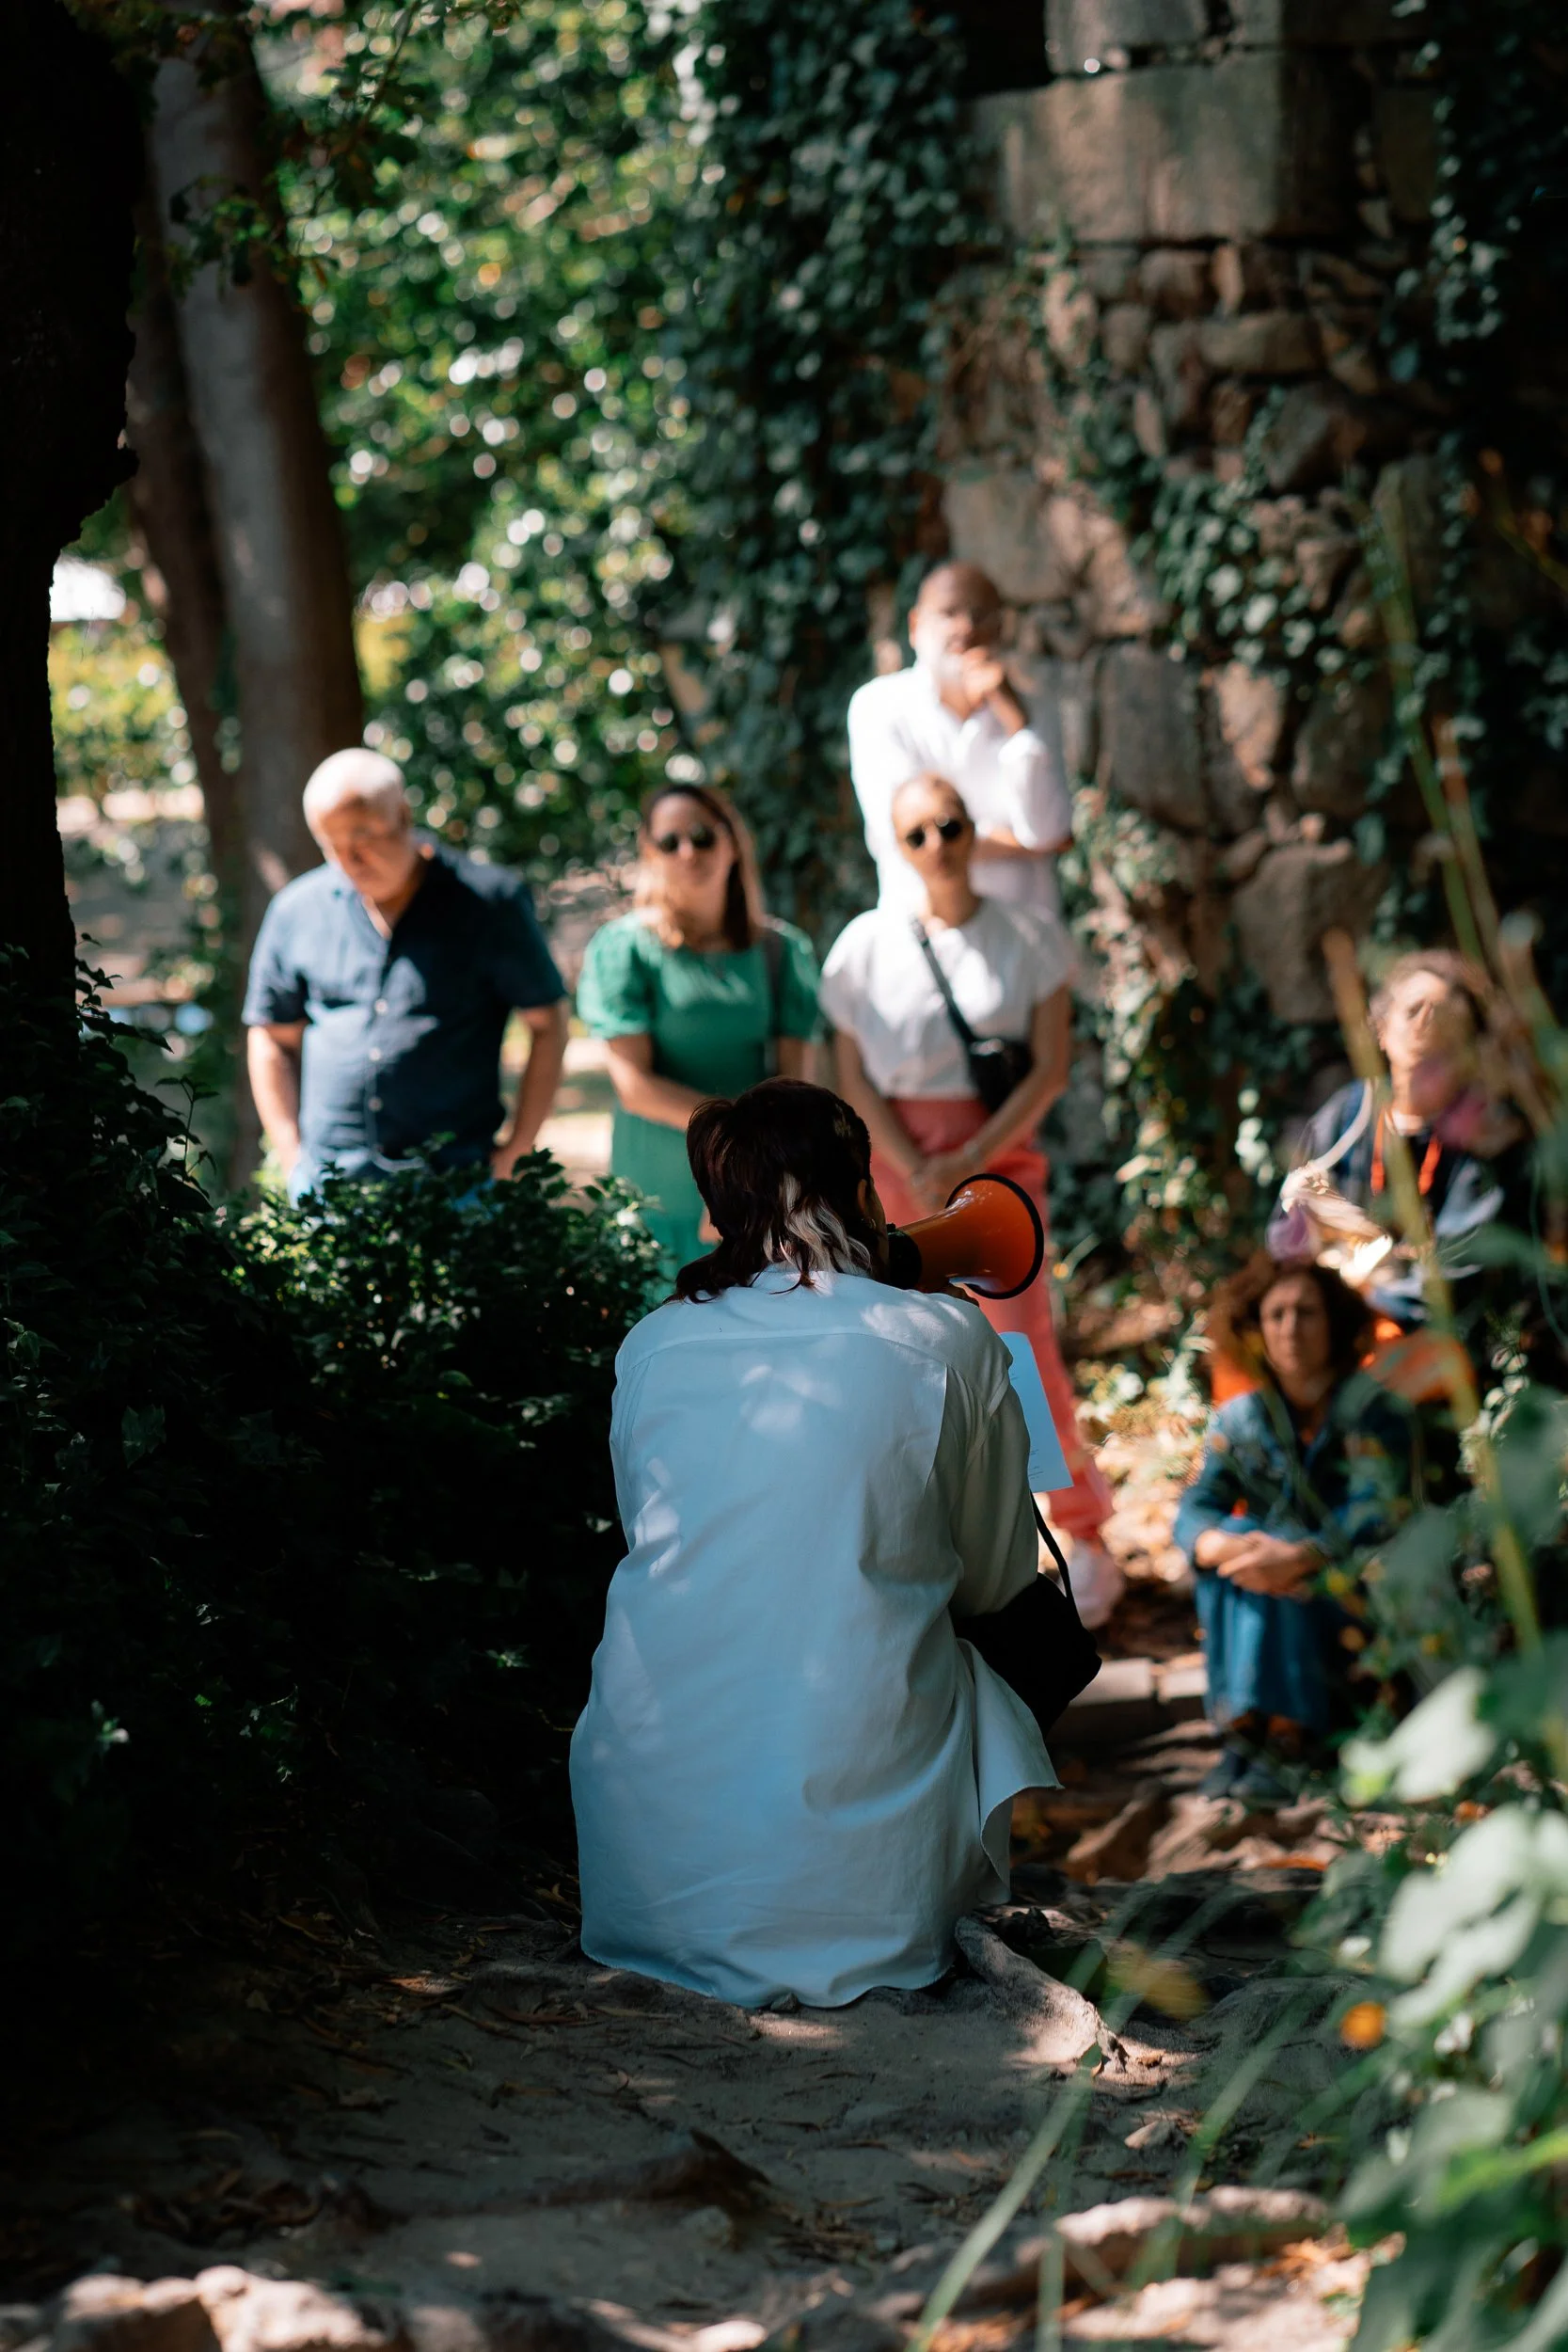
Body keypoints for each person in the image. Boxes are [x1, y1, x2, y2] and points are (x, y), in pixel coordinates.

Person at [570, 1078, 1054, 2010]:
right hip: (875, 1916)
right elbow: (998, 1581)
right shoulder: (947, 1336)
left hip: (641, 1902)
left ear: (718, 1212)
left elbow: (668, 1543)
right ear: (863, 1190)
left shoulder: (650, 1344)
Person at [820, 773, 1122, 1626]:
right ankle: (936, 1540)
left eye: (949, 826)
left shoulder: (1027, 936)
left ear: (971, 828)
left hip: (999, 1160)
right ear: (894, 842)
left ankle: (1078, 1532)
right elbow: (851, 1078)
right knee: (900, 1345)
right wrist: (910, 1161)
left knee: (1020, 1344)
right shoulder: (864, 946)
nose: (937, 846)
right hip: (890, 1167)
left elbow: (1051, 1065)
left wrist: (976, 1153)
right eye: (915, 833)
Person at [244, 749, 568, 1201]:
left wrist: (518, 1149)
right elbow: (271, 1036)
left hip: (457, 1187)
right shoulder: (296, 910)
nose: (349, 859)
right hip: (329, 1188)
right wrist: (290, 1154)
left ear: (403, 815)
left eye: (362, 836)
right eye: (330, 844)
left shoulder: (489, 902)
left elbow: (548, 1023)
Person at [1175, 1255, 1420, 1803]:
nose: (1290, 1329)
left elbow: (1377, 1514)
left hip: (1351, 1590)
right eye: (1276, 1315)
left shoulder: (1377, 1412)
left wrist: (1301, 1555)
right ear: (1256, 1329)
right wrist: (1218, 1544)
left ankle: (1284, 1738)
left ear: (1334, 1322)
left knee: (1272, 1571)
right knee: (1235, 1561)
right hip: (1270, 1580)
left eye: (1306, 1313)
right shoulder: (1241, 1418)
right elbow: (1197, 1506)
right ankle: (1249, 1734)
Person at [577, 783, 820, 1281]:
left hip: (757, 1210)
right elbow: (636, 1088)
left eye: (704, 836)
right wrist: (736, 1146)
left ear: (733, 844)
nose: (689, 851)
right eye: (671, 842)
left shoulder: (782, 951)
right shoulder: (624, 950)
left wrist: (750, 1181)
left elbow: (796, 1096)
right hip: (653, 1207)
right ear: (650, 854)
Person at [1267, 949, 1506, 1333]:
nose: (1426, 1023)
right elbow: (1285, 1232)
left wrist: (1364, 1313)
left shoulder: (1472, 1133)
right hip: (1326, 1316)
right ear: (1380, 1028)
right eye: (1413, 1010)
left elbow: (1457, 1277)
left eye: (1442, 1015)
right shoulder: (1348, 1112)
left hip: (1410, 1333)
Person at [847, 562, 1072, 919]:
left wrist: (1017, 725)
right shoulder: (878, 708)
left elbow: (1048, 829)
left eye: (980, 615)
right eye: (949, 613)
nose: (966, 628)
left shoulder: (1032, 709)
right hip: (929, 939)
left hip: (1027, 944)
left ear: (1000, 628)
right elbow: (910, 835)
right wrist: (1030, 847)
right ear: (916, 626)